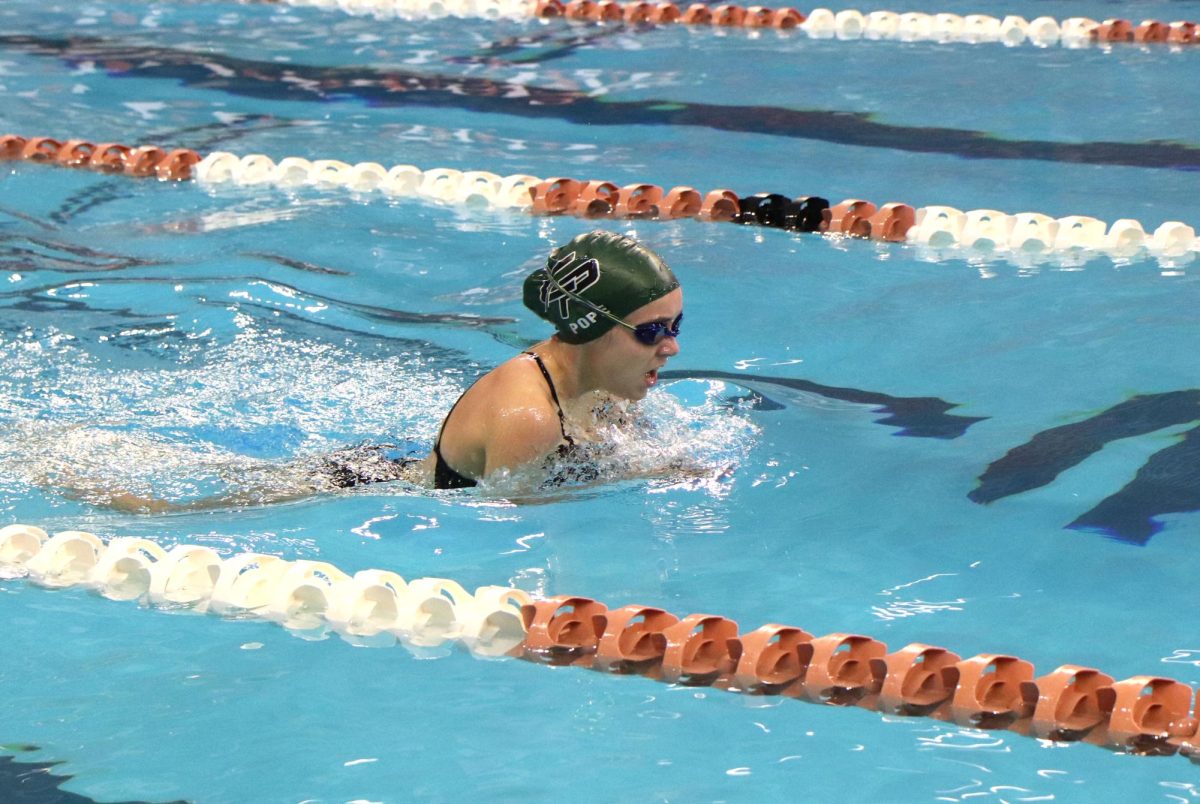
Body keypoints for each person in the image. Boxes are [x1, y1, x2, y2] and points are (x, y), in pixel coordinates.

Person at [414, 229, 682, 489]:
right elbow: (509, 526)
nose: (672, 347)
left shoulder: (611, 384)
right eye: (653, 332)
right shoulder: (528, 417)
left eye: (675, 325)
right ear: (592, 328)